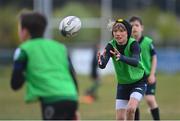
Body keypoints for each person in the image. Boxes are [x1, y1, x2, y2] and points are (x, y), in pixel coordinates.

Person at [10, 10, 79, 120]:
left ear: (25, 31)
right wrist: (75, 107)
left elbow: (15, 84)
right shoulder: (60, 47)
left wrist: (26, 71)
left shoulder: (24, 50)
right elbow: (72, 76)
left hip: (52, 100)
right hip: (71, 96)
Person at [97, 18, 147, 120]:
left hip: (138, 82)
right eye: (115, 31)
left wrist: (122, 57)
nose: (117, 34)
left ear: (127, 32)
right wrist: (100, 62)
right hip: (123, 84)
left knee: (131, 108)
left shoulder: (134, 44)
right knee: (120, 118)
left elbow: (135, 61)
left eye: (121, 31)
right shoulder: (111, 45)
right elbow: (103, 65)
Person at [129, 16, 160, 120]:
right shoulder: (129, 43)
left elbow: (154, 57)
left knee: (150, 99)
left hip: (148, 75)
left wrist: (152, 74)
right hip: (136, 77)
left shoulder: (147, 42)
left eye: (136, 25)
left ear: (142, 27)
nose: (134, 28)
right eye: (132, 25)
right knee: (134, 102)